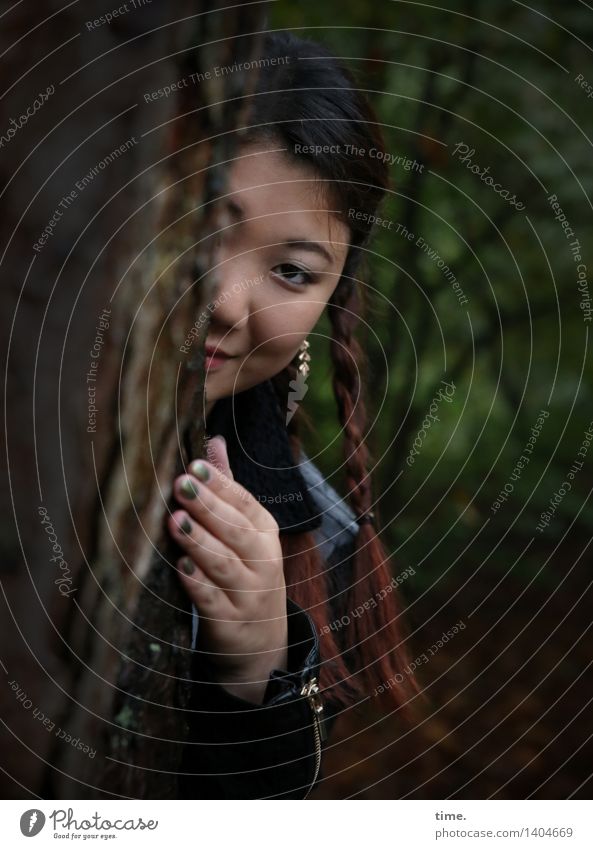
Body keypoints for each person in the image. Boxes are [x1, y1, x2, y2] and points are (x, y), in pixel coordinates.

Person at [167, 31, 418, 799]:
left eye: (290, 270)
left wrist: (255, 679)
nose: (225, 302)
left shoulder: (320, 538)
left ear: (330, 301)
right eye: (208, 228)